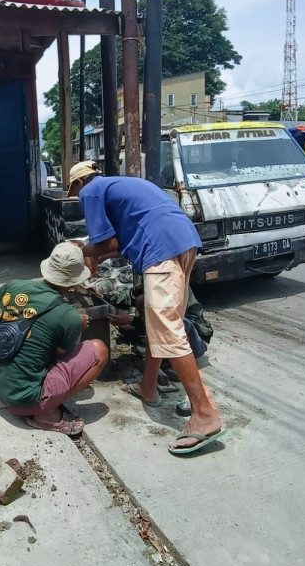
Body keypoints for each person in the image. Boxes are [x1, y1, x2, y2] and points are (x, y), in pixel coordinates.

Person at [67, 160, 225, 455]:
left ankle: (204, 414)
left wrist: (78, 250)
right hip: (183, 240)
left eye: (74, 193)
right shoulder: (120, 187)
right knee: (160, 326)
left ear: (78, 183)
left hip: (159, 249)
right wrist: (93, 253)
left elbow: (103, 244)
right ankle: (148, 386)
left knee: (168, 330)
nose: (78, 199)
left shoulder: (91, 190)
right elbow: (117, 245)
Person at [0, 242, 109, 436]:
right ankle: (46, 411)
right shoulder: (68, 315)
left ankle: (37, 399)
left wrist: (13, 317)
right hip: (24, 401)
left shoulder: (13, 286)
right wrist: (78, 326)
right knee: (99, 350)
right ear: (74, 280)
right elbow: (59, 354)